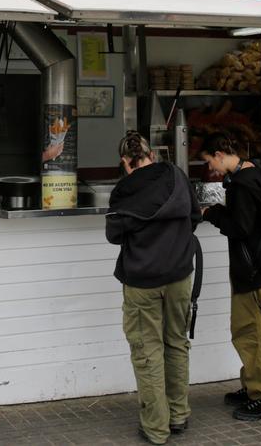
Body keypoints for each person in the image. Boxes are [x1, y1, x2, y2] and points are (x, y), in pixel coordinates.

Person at [106, 131, 201, 445]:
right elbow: (195, 216)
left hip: (142, 282)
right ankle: (178, 415)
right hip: (180, 275)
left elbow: (114, 235)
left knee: (148, 353)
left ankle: (156, 428)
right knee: (176, 343)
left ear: (125, 160)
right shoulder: (176, 175)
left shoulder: (124, 190)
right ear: (151, 153)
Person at [198, 133, 261, 421]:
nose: (213, 169)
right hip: (256, 263)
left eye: (211, 162)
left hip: (251, 266)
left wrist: (211, 213)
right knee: (248, 329)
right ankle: (254, 386)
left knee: (253, 332)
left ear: (220, 154)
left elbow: (240, 227)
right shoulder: (253, 172)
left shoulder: (243, 185)